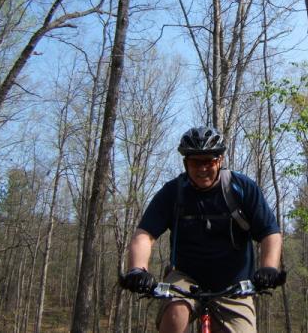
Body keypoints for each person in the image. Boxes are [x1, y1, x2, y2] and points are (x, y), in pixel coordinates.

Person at [120, 126, 284, 333]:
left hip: (233, 284)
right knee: (175, 311)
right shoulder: (174, 192)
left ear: (220, 160)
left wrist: (269, 268)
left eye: (209, 161)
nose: (202, 168)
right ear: (185, 163)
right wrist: (137, 269)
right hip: (185, 279)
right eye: (195, 162)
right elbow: (144, 235)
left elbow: (270, 233)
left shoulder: (242, 188)